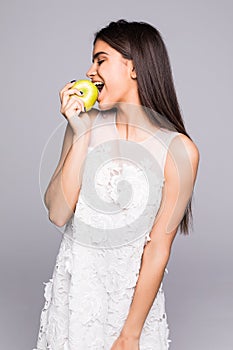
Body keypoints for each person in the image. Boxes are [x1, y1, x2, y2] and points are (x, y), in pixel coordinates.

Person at [33, 19, 199, 350]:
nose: (90, 70)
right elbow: (58, 213)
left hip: (131, 307)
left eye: (100, 59)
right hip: (75, 297)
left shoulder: (179, 150)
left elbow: (158, 250)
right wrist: (80, 134)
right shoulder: (84, 126)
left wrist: (131, 333)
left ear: (134, 67)